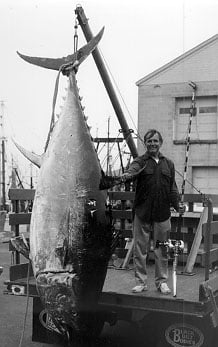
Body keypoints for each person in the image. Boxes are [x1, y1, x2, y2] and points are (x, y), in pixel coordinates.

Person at [121, 129, 185, 294]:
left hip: (162, 214)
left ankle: (161, 282)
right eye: (149, 141)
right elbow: (132, 171)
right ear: (145, 144)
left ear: (160, 143)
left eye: (155, 141)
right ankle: (141, 282)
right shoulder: (140, 161)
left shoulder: (168, 164)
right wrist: (127, 175)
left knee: (162, 249)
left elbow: (173, 188)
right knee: (140, 249)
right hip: (142, 212)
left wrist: (178, 205)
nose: (152, 144)